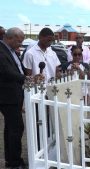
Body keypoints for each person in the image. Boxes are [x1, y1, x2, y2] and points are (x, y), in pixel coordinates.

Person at [0, 27, 41, 169]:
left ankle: (11, 160)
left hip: (14, 95)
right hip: (7, 96)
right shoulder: (1, 50)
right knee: (16, 128)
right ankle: (14, 162)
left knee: (11, 129)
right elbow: (6, 71)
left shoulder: (12, 51)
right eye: (19, 41)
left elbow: (18, 69)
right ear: (10, 38)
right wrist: (27, 79)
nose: (20, 44)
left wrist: (29, 76)